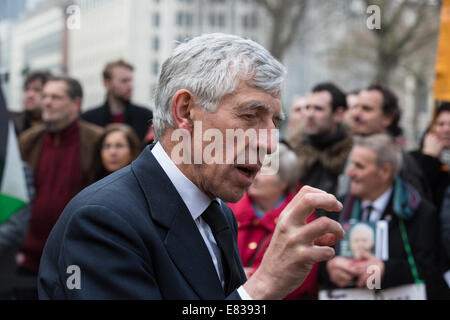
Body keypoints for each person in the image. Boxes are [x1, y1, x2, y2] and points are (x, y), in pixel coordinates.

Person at [37, 33, 345, 300]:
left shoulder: (217, 212)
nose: (268, 142)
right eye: (251, 115)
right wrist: (262, 287)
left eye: (275, 122)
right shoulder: (103, 221)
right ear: (185, 111)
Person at [322, 134, 444, 299]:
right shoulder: (335, 208)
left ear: (385, 171)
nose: (349, 172)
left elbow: (431, 270)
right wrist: (330, 268)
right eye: (350, 164)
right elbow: (314, 263)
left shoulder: (419, 212)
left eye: (359, 166)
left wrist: (386, 271)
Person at [17, 76, 103, 298]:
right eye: (44, 96)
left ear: (76, 103)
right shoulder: (28, 141)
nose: (46, 102)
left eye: (55, 97)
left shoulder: (96, 140)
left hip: (74, 257)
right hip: (27, 258)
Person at [228, 143, 319, 300]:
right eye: (253, 166)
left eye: (264, 170)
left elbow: (300, 280)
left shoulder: (303, 218)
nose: (254, 174)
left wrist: (248, 279)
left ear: (284, 181)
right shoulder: (229, 208)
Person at [338, 84, 431, 200]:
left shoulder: (402, 163)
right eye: (356, 107)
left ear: (387, 118)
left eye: (366, 109)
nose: (356, 114)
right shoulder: (348, 148)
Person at [286, 82, 353, 195]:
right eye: (308, 107)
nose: (309, 114)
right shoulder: (289, 149)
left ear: (338, 114)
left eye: (318, 109)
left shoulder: (354, 154)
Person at [81, 59, 153, 141]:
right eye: (124, 81)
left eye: (131, 80)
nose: (130, 86)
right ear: (107, 84)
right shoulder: (88, 120)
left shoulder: (146, 117)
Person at [9, 71, 51, 137]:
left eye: (37, 90)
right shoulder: (11, 123)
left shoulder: (57, 125)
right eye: (27, 89)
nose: (29, 95)